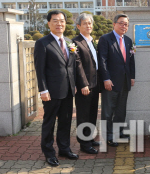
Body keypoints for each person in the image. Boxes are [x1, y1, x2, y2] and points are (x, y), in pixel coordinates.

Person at [34, 10, 88, 166]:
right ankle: (49, 152)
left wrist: (78, 85)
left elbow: (74, 66)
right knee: (49, 123)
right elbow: (40, 69)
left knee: (65, 122)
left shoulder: (69, 42)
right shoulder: (42, 43)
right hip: (51, 92)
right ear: (49, 23)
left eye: (62, 21)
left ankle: (64, 148)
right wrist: (43, 90)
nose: (59, 24)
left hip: (68, 90)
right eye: (55, 21)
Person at [97, 14, 135, 147]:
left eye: (126, 24)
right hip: (110, 82)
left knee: (121, 110)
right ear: (114, 24)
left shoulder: (129, 40)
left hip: (124, 81)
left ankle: (118, 132)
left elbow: (131, 61)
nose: (123, 26)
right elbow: (102, 60)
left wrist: (132, 77)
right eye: (121, 23)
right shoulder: (105, 39)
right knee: (108, 111)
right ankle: (107, 136)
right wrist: (106, 78)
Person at [73, 13, 100, 154]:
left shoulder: (91, 41)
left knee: (92, 113)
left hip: (95, 84)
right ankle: (84, 143)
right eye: (85, 23)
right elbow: (77, 66)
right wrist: (83, 84)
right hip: (85, 86)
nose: (88, 26)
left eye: (90, 23)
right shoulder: (75, 42)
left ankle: (90, 138)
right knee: (83, 114)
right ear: (78, 26)